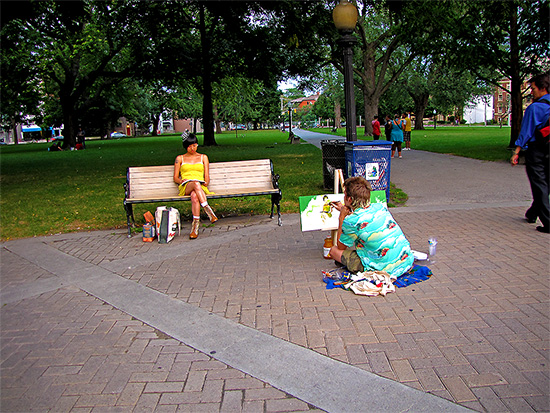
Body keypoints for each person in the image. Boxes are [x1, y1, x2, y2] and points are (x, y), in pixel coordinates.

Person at [329, 176, 414, 277]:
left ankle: (366, 267)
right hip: (405, 261)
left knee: (333, 251)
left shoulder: (351, 221)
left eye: (345, 195)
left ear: (350, 199)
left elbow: (341, 246)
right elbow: (361, 216)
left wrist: (342, 217)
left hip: (384, 269)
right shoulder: (379, 207)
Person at [510, 72, 550, 234]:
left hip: (537, 152)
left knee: (540, 185)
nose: (531, 92)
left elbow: (526, 132)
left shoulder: (535, 108)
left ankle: (548, 223)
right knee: (545, 185)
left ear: (542, 88)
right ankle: (532, 213)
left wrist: (516, 152)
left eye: (533, 88)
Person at [173, 133, 218, 239]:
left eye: (194, 145)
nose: (192, 148)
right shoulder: (180, 158)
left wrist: (206, 182)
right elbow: (175, 177)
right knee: (194, 184)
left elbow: (207, 176)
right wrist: (181, 181)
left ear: (197, 145)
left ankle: (195, 227)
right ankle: (208, 210)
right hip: (186, 185)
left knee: (194, 196)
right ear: (185, 146)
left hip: (199, 186)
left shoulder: (203, 157)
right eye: (189, 146)